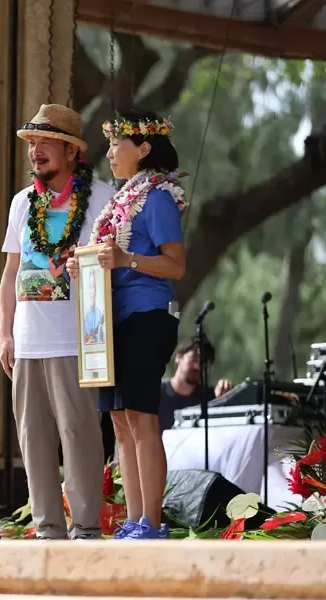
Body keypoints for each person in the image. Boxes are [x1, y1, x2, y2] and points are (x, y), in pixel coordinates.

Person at [68, 108, 188, 540]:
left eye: (116, 145)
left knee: (141, 416)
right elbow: (109, 259)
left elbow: (176, 265)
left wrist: (126, 259)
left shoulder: (157, 197)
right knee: (119, 420)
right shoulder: (121, 200)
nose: (109, 154)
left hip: (146, 316)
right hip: (110, 320)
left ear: (144, 148)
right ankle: (134, 520)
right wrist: (84, 265)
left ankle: (152, 523)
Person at [0, 104, 114, 540]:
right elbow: (10, 272)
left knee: (79, 433)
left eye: (46, 142)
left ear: (71, 151)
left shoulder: (101, 198)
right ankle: (48, 529)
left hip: (78, 337)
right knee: (33, 437)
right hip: (28, 339)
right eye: (32, 143)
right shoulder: (21, 202)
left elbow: (116, 264)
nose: (36, 150)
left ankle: (85, 528)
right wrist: (5, 333)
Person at [158, 336, 234, 431]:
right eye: (193, 359)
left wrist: (222, 400)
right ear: (179, 357)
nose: (198, 366)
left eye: (204, 363)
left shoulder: (210, 399)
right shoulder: (155, 393)